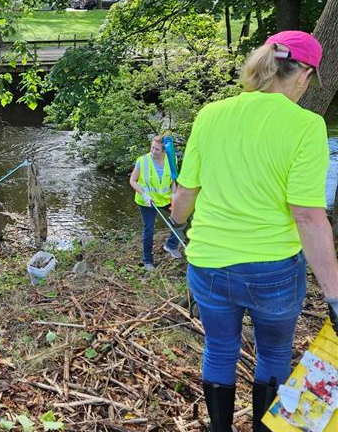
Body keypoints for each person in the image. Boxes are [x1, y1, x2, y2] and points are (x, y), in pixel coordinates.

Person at [169, 31, 338, 432]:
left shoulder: (211, 114)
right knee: (275, 352)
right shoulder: (306, 126)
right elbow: (309, 218)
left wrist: (177, 220)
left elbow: (182, 201)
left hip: (208, 266)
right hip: (273, 273)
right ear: (303, 75)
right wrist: (334, 294)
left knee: (220, 348)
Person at [128, 134, 182, 271]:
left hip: (164, 199)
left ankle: (171, 245)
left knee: (182, 218)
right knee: (149, 229)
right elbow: (132, 181)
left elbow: (172, 181)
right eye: (152, 147)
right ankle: (148, 262)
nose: (152, 151)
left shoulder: (171, 159)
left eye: (157, 149)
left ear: (164, 151)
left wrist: (174, 196)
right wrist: (144, 195)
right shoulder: (142, 161)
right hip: (147, 201)